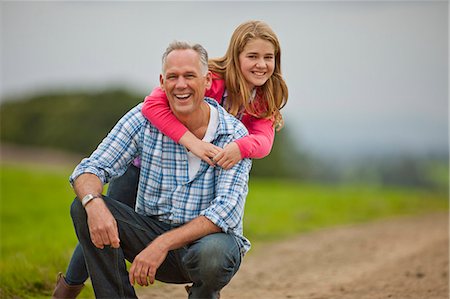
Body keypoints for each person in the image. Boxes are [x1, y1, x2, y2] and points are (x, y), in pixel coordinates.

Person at [52, 19, 288, 297]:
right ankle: (69, 287)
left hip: (206, 193)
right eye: (252, 56)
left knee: (213, 251)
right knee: (95, 213)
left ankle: (202, 284)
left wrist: (241, 146)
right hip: (145, 166)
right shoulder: (210, 80)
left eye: (268, 58)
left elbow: (262, 143)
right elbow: (153, 105)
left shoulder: (259, 102)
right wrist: (192, 143)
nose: (260, 64)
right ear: (235, 58)